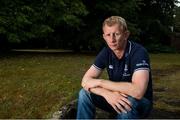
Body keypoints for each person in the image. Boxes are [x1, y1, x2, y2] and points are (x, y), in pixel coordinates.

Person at [76, 16, 153, 119]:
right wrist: (106, 93)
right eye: (108, 35)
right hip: (115, 96)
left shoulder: (138, 52)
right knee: (84, 93)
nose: (112, 39)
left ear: (126, 35)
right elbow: (85, 81)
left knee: (126, 104)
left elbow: (138, 91)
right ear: (104, 37)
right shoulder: (106, 52)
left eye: (116, 34)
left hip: (140, 102)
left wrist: (100, 82)